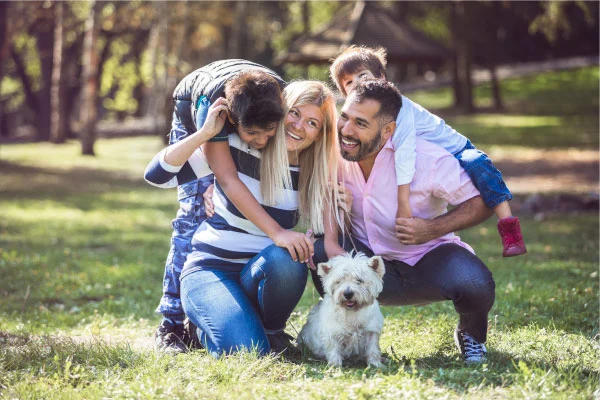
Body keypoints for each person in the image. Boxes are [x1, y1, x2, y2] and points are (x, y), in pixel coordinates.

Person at [146, 80, 341, 357]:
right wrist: (205, 133)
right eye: (295, 113)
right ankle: (203, 328)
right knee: (245, 351)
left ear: (321, 134)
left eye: (312, 123)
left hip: (260, 273)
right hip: (211, 269)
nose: (298, 126)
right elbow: (156, 176)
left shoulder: (317, 173)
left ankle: (271, 331)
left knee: (288, 259)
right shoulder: (238, 147)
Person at [314, 79, 496, 364]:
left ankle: (472, 336)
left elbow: (482, 203)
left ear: (388, 130)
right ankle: (343, 334)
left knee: (473, 281)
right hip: (365, 259)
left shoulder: (427, 158)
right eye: (345, 118)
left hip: (427, 260)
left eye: (361, 124)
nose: (346, 131)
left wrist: (432, 229)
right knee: (317, 251)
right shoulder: (335, 153)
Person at [145, 59, 290, 353]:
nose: (262, 141)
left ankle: (234, 309)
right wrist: (207, 143)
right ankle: (171, 324)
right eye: (253, 135)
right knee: (193, 215)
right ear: (234, 121)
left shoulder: (282, 99)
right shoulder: (214, 109)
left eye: (269, 131)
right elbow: (222, 175)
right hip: (195, 116)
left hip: (246, 103)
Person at [329, 46, 527, 258]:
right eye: (349, 82)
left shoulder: (398, 110)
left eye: (363, 75)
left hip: (458, 150)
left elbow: (405, 154)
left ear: (382, 78)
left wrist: (403, 204)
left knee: (480, 167)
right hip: (432, 157)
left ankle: (509, 228)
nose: (358, 83)